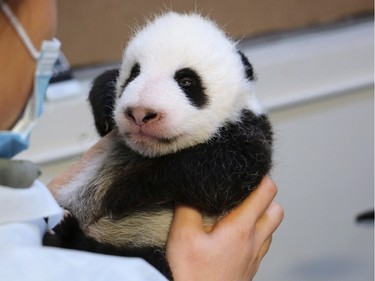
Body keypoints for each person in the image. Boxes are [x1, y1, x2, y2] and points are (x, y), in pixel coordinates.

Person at [0, 1, 284, 280]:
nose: (139, 103)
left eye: (186, 82)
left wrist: (136, 186)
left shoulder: (242, 133)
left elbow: (223, 173)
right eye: (134, 73)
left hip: (136, 251)